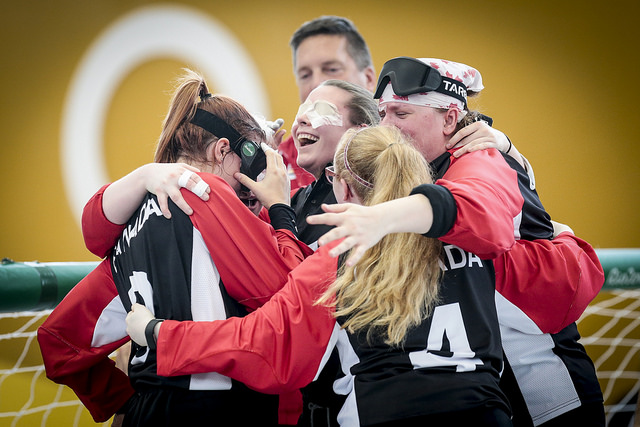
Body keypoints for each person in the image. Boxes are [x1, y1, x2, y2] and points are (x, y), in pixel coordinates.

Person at [126, 125, 515, 426]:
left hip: (382, 412)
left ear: (340, 187)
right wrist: (508, 152)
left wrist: (158, 333)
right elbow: (552, 279)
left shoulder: (338, 256)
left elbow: (263, 345)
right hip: (485, 410)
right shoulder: (477, 235)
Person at [309, 56, 606, 426]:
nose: (385, 125)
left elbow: (486, 221)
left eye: (400, 114)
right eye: (382, 112)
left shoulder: (478, 159)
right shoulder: (439, 162)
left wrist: (382, 222)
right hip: (492, 390)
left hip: (545, 390)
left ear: (450, 119)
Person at [38, 69, 313, 426]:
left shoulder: (129, 224)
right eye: (253, 167)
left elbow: (58, 344)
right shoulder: (206, 193)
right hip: (222, 410)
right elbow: (287, 297)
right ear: (223, 149)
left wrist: (123, 402)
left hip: (149, 410)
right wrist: (279, 210)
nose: (250, 186)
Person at [279, 16, 377, 191]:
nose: (317, 83)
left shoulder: (406, 152)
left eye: (332, 69)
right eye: (305, 75)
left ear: (369, 79)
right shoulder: (274, 162)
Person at [288, 79, 379, 247]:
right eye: (303, 109)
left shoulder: (374, 199)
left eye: (321, 110)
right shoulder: (290, 199)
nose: (301, 118)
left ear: (359, 132)